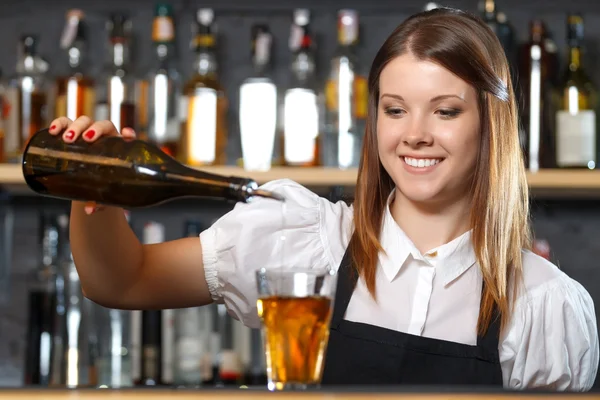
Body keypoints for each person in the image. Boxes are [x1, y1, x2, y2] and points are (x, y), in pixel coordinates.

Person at [47, 7, 598, 390]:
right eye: (395, 109)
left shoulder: (544, 304)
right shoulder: (311, 243)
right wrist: (90, 189)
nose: (415, 134)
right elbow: (121, 279)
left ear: (491, 126)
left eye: (446, 111)